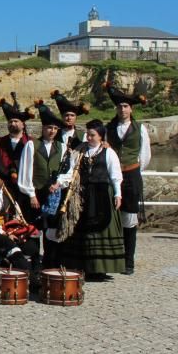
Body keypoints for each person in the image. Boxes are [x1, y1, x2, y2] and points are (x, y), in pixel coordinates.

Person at [55, 119, 126, 279]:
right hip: (83, 195)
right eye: (87, 134)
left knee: (102, 228)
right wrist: (59, 183)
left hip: (102, 195)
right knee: (82, 228)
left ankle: (100, 268)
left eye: (92, 135)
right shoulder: (80, 151)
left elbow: (116, 175)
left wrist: (117, 194)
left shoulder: (109, 152)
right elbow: (70, 172)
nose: (89, 137)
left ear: (101, 136)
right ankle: (82, 265)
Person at [104, 82, 151, 275]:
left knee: (129, 219)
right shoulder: (108, 128)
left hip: (131, 176)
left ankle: (128, 260)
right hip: (112, 177)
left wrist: (133, 169)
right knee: (110, 217)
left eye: (125, 106)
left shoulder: (140, 129)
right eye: (119, 106)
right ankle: (111, 258)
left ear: (131, 109)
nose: (122, 109)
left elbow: (145, 155)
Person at [19, 100, 68, 267]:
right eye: (49, 128)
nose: (52, 131)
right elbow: (25, 172)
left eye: (55, 128)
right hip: (36, 193)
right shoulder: (32, 145)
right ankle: (33, 264)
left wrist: (59, 183)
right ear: (43, 128)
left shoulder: (62, 147)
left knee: (52, 230)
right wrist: (31, 194)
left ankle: (49, 263)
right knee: (34, 230)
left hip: (53, 194)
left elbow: (67, 171)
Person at [0, 92, 35, 217]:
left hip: (25, 185)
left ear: (23, 124)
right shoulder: (0, 141)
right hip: (6, 185)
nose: (13, 124)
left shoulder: (31, 142)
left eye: (16, 121)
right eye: (11, 121)